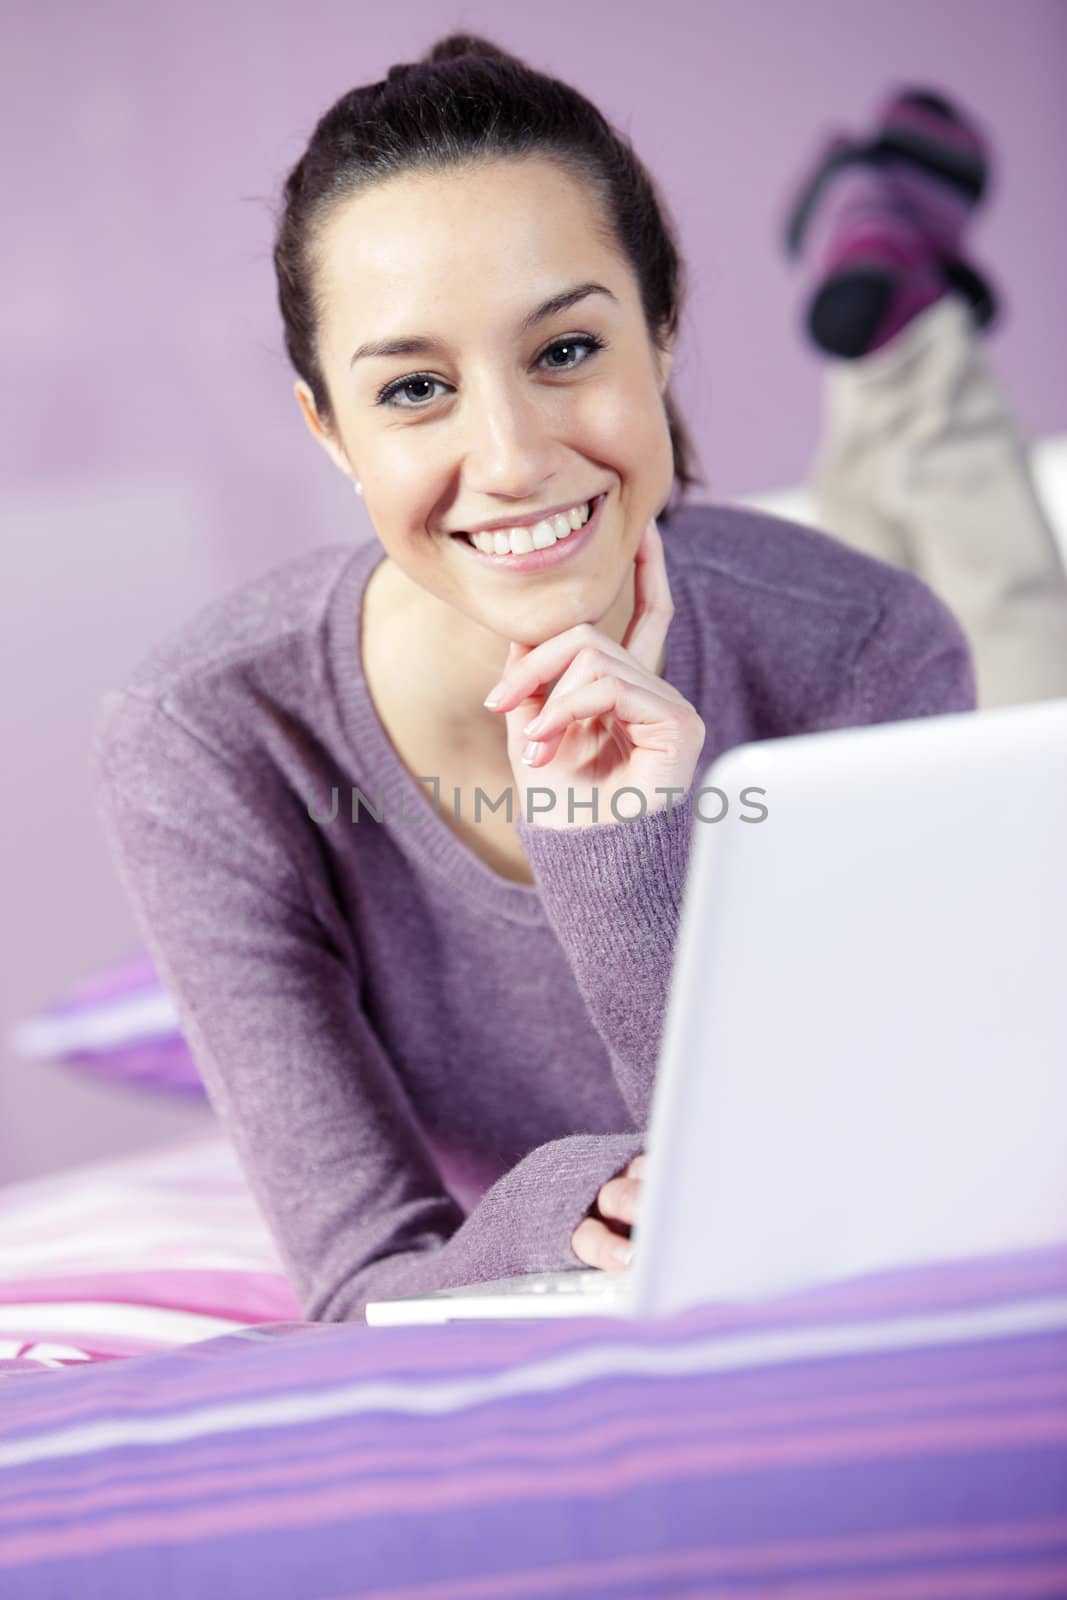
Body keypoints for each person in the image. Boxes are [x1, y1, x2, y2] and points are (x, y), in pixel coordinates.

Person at [92, 36, 975, 1326]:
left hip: (821, 606)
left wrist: (616, 844)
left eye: (564, 351)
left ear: (660, 337)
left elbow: (839, 1188)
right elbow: (359, 1283)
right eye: (412, 388)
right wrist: (563, 1200)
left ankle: (905, 304)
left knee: (997, 578)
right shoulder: (211, 740)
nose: (507, 457)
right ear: (327, 430)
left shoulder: (864, 647)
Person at [784, 88, 1067, 710]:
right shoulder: (884, 232)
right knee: (998, 577)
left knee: (874, 596)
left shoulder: (875, 229)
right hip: (924, 383)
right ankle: (1046, 730)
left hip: (862, 391)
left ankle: (893, 738)